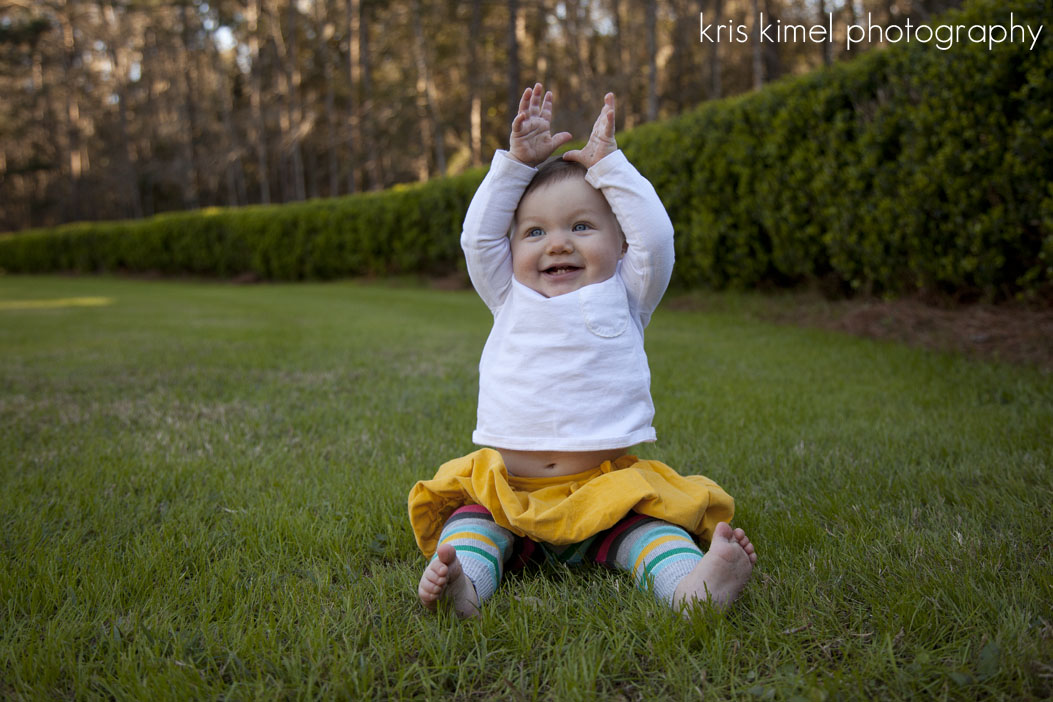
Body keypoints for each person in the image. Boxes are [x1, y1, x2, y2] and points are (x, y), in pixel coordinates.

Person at [408, 83, 756, 618]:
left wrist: (610, 167)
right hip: (509, 496)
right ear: (511, 247)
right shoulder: (508, 294)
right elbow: (476, 238)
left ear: (619, 245)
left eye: (581, 226)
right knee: (470, 528)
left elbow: (657, 240)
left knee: (653, 533)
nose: (558, 243)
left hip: (606, 495)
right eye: (534, 232)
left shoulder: (626, 293)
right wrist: (515, 166)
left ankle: (693, 590)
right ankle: (465, 588)